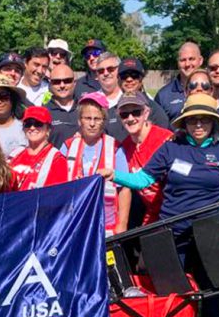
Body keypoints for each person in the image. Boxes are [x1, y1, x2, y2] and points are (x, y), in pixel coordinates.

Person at [99, 93, 219, 317]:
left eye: (204, 120)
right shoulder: (170, 148)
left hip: (211, 231)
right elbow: (143, 179)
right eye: (193, 120)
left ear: (213, 122)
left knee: (210, 290)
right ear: (184, 123)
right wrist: (114, 175)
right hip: (173, 230)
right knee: (173, 290)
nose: (198, 125)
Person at [61, 92, 131, 236]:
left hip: (106, 226)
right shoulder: (67, 146)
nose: (92, 124)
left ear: (104, 121)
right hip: (73, 224)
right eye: (87, 118)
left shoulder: (115, 148)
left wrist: (122, 225)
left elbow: (125, 189)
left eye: (97, 119)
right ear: (80, 121)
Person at [117, 91, 172, 225]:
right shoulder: (125, 146)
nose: (130, 118)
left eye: (136, 112)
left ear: (146, 113)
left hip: (171, 212)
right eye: (124, 114)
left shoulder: (166, 139)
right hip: (150, 215)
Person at [9, 106, 67, 190]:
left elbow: (57, 194)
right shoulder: (15, 154)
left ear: (48, 129)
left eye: (38, 123)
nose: (32, 128)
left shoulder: (57, 159)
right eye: (28, 124)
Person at [154, 41, 204, 122]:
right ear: (178, 62)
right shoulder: (163, 95)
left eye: (191, 59)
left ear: (200, 60)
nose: (187, 64)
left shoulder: (211, 89)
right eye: (183, 60)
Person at [118, 57, 169, 129]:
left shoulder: (155, 111)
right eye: (124, 76)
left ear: (141, 79)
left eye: (134, 75)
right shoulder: (112, 112)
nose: (129, 79)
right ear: (119, 80)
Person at [45, 64, 79, 149]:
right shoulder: (44, 111)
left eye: (67, 80)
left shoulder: (85, 107)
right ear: (50, 84)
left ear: (74, 82)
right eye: (56, 82)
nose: (62, 85)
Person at [95, 52, 125, 140]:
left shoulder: (132, 98)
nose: (105, 73)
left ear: (119, 71)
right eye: (101, 71)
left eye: (110, 69)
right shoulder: (92, 101)